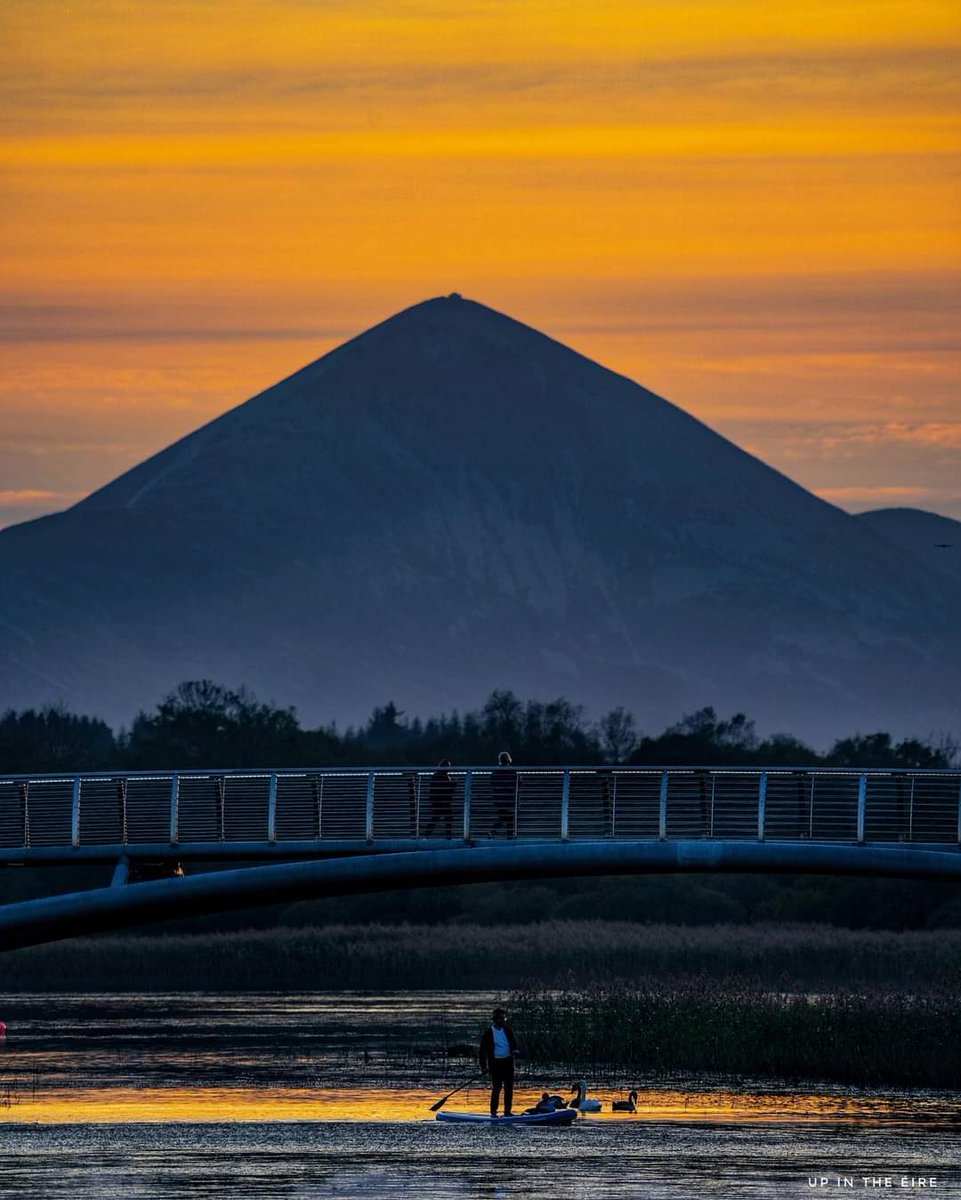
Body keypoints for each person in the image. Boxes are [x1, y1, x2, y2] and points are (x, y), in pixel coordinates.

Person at [478, 1005, 518, 1117]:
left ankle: (507, 1112)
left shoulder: (507, 1031)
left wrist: (515, 1050)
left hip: (508, 1063)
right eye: (500, 1018)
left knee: (509, 1088)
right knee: (497, 1088)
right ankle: (493, 1113)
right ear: (495, 1019)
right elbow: (482, 1051)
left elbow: (513, 1043)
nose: (502, 1021)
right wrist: (483, 1067)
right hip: (495, 1064)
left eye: (503, 1018)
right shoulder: (489, 1033)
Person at [425, 760, 455, 837]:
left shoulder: (439, 776)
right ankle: (447, 836)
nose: (449, 768)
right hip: (440, 801)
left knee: (442, 819)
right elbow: (439, 789)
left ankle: (427, 835)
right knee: (439, 819)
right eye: (448, 766)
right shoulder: (440, 777)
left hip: (442, 801)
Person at [490, 751, 516, 837]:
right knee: (508, 817)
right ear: (508, 760)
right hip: (509, 798)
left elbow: (492, 782)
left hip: (498, 798)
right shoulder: (511, 770)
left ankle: (495, 831)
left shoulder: (495, 771)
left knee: (505, 816)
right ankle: (508, 835)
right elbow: (518, 782)